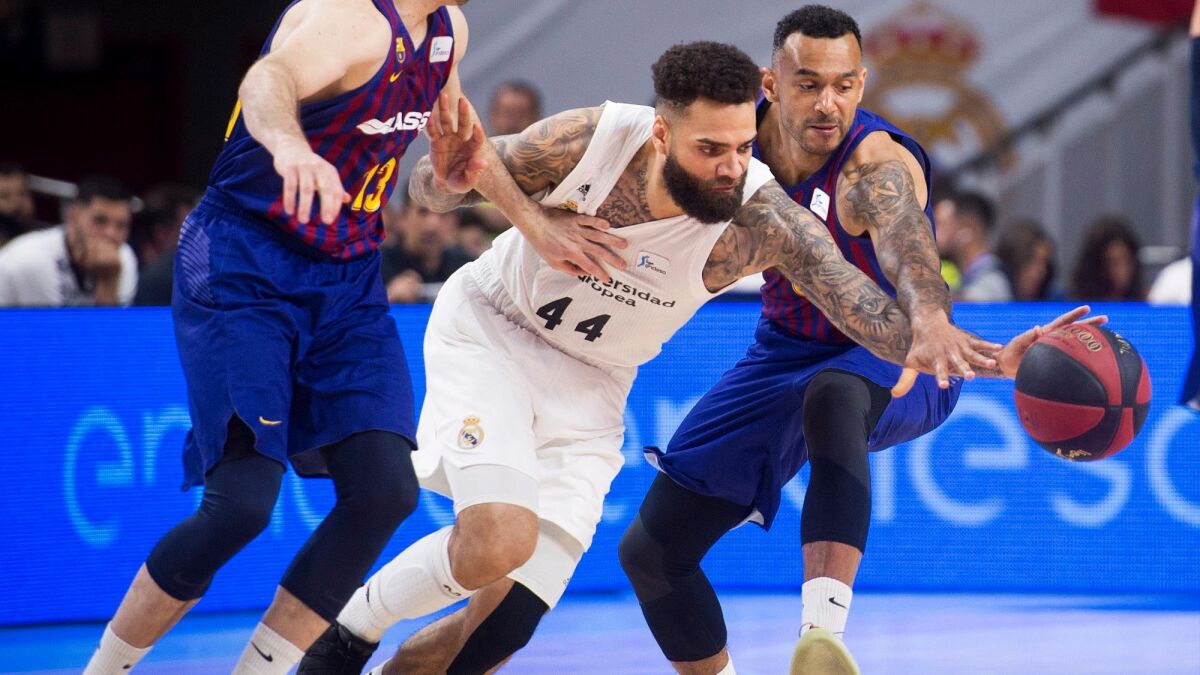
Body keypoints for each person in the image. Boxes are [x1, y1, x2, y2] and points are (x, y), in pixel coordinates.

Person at [299, 40, 1019, 675]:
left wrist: (991, 361)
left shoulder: (764, 217)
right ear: (661, 133)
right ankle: (347, 635)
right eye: (710, 150)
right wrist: (518, 214)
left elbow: (865, 308)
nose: (731, 169)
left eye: (743, 149)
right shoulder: (593, 141)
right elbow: (437, 184)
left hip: (593, 383)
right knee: (496, 537)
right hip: (496, 331)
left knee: (503, 625)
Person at [82, 1, 621, 673]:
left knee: (384, 491)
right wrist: (289, 147)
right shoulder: (348, 18)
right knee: (240, 505)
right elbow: (267, 80)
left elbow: (462, 141)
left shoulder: (448, 29)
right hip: (246, 260)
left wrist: (531, 222)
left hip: (348, 278)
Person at [615, 8, 1102, 675]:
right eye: (809, 84)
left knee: (833, 393)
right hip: (781, 350)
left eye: (844, 85)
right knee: (651, 552)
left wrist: (947, 334)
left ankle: (822, 640)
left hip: (901, 349)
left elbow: (913, 260)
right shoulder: (734, 147)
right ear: (770, 85)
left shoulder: (875, 164)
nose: (828, 103)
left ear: (863, 84)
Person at [0, 174, 137, 306]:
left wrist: (108, 283)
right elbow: (50, 322)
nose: (110, 234)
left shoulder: (124, 259)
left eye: (121, 225)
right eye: (100, 221)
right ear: (73, 217)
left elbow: (110, 322)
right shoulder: (30, 260)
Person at [937, 189, 1012, 301]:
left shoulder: (993, 281)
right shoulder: (969, 278)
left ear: (969, 227)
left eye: (940, 224)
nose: (933, 232)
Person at [1068, 215, 1146, 301]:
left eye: (1127, 261)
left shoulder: (1148, 302)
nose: (1122, 271)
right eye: (1112, 263)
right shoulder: (1075, 305)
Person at [995, 218, 1059, 301]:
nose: (1042, 271)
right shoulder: (989, 294)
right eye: (1031, 261)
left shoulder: (1053, 300)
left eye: (1045, 263)